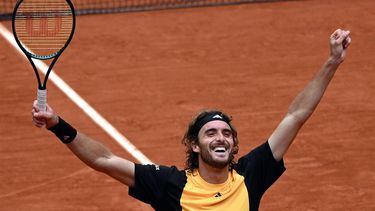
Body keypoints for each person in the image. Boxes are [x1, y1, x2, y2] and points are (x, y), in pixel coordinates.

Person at [32, 29, 351, 211]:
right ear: (195, 146)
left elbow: (296, 116)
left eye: (226, 133)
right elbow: (104, 159)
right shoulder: (170, 185)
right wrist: (59, 125)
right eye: (210, 133)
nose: (220, 137)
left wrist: (332, 62)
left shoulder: (250, 175)